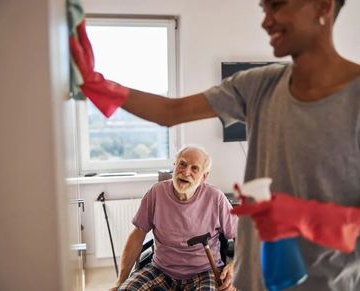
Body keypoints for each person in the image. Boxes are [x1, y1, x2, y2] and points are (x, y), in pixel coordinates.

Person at [70, 0, 360, 290]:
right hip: (255, 280)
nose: (266, 21)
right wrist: (96, 83)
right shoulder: (261, 85)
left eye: (277, 5)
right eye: (264, 9)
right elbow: (170, 112)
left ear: (323, 6)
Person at [110, 145, 238, 291]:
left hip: (204, 271)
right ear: (175, 166)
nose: (186, 172)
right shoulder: (156, 193)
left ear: (204, 176)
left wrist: (235, 266)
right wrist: (120, 281)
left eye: (194, 168)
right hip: (161, 269)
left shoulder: (216, 198)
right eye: (182, 164)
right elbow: (137, 234)